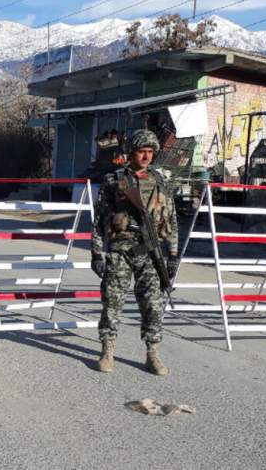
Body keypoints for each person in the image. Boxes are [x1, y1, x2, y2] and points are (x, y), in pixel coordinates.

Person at [91, 129, 178, 377]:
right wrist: (97, 252)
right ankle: (107, 351)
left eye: (150, 152)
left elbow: (171, 221)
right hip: (120, 251)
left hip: (151, 253)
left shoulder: (161, 181)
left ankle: (153, 354)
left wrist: (173, 255)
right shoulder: (114, 180)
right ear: (131, 153)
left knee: (153, 304)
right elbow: (99, 221)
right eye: (142, 151)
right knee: (112, 303)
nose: (146, 157)